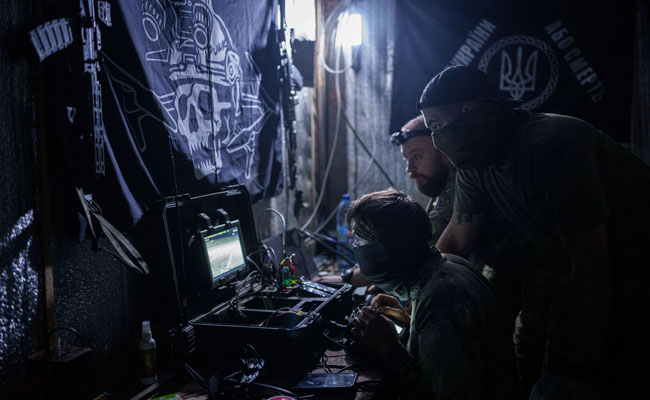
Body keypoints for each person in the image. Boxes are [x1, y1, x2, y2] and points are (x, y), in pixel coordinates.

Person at [418, 65, 650, 398]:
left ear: (471, 111)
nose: (437, 140)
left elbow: (592, 261)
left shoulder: (551, 143)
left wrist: (583, 362)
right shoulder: (475, 161)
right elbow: (459, 236)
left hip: (635, 271)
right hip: (582, 274)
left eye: (437, 125)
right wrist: (414, 291)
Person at [347, 188, 515, 399]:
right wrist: (411, 322)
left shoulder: (439, 299)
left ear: (388, 250)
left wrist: (389, 347)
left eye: (359, 242)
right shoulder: (447, 263)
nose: (355, 248)